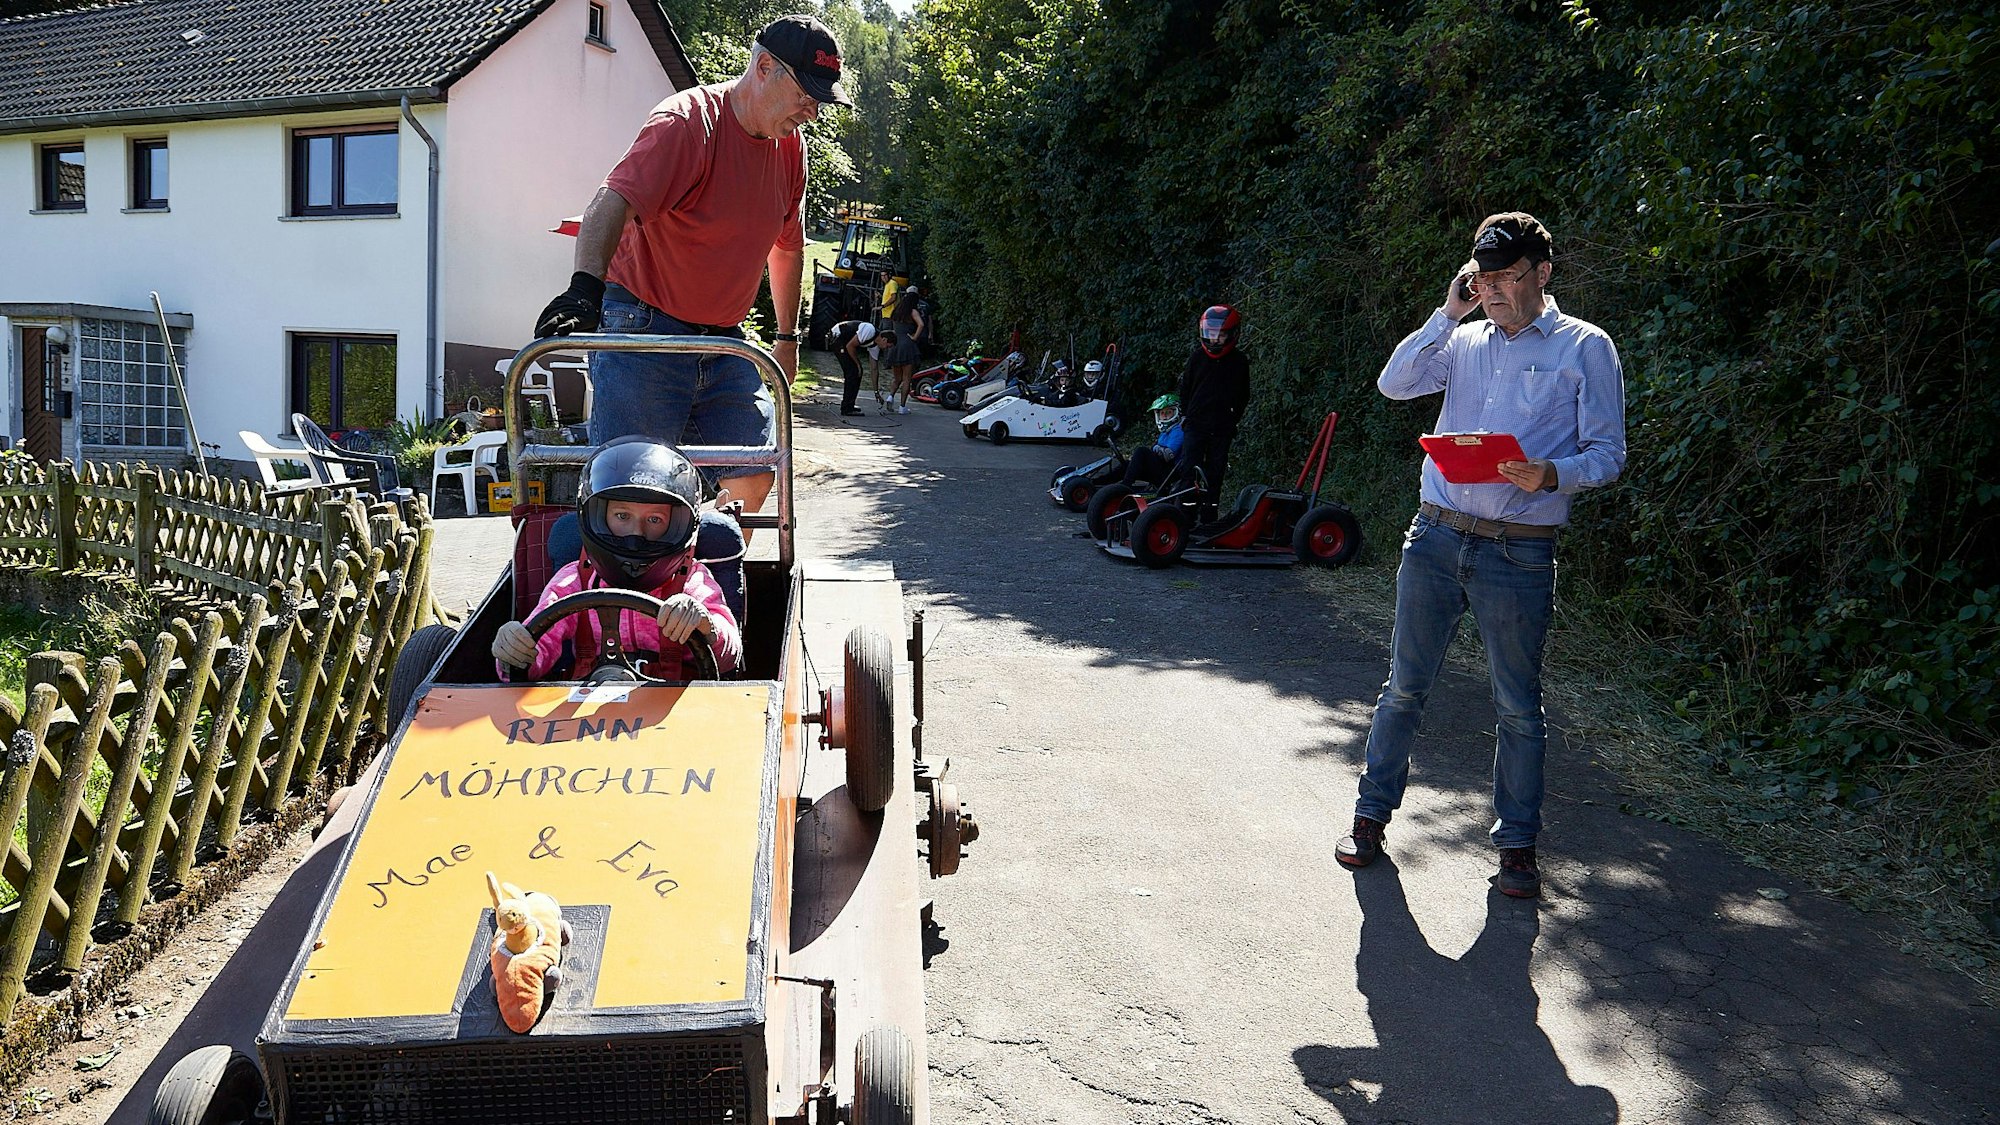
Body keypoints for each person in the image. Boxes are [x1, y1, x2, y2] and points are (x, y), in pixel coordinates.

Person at [1334, 212, 1627, 899]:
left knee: (1517, 706)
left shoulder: (1586, 346)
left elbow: (1608, 453)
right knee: (1404, 687)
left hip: (1519, 551)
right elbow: (1394, 384)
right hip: (1435, 536)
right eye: (1482, 278)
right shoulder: (1462, 339)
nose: (1492, 290)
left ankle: (1517, 848)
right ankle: (1370, 817)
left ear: (1542, 273)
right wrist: (1447, 312)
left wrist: (1551, 474)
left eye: (1506, 277)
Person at [533, 14, 852, 520]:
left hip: (724, 339)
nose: (812, 112)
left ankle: (707, 563)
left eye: (820, 100)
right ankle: (631, 570)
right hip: (645, 329)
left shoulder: (791, 149)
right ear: (764, 68)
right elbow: (612, 201)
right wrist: (583, 290)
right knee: (633, 489)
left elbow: (787, 248)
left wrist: (787, 338)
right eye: (805, 94)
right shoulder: (687, 123)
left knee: (753, 469)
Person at [493, 441, 742, 681]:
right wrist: (514, 651)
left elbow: (730, 659)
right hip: (586, 701)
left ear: (678, 524)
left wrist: (705, 625)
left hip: (676, 704)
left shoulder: (693, 580)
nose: (636, 535)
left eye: (654, 519)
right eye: (622, 516)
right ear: (598, 516)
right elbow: (536, 652)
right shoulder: (574, 580)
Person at [1173, 305, 1251, 516]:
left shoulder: (1239, 362)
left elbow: (1243, 395)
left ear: (1233, 334)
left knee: (1215, 473)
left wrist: (1232, 418)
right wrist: (1186, 415)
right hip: (1196, 425)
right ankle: (1185, 516)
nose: (1214, 340)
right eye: (1211, 334)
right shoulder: (1197, 358)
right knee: (1189, 470)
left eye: (1220, 335)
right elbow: (1186, 389)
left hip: (1222, 427)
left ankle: (1209, 516)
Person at [1120, 395, 1186, 488]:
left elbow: (1167, 455)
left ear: (1176, 412)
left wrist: (1155, 448)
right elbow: (1157, 450)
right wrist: (1156, 448)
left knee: (1141, 451)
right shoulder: (1165, 431)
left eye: (1168, 412)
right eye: (1162, 413)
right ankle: (1102, 482)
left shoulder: (1178, 430)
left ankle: (1125, 486)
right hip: (1162, 469)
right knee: (1127, 464)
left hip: (1169, 474)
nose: (1165, 416)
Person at [883, 283, 926, 414]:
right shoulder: (913, 311)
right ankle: (902, 407)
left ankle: (890, 396)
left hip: (895, 345)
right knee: (907, 378)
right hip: (907, 345)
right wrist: (914, 337)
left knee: (897, 378)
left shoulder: (897, 310)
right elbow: (921, 324)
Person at [829, 319, 878, 416]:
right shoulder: (870, 330)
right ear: (884, 340)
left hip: (845, 340)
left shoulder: (875, 345)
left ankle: (850, 404)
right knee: (852, 372)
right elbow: (850, 346)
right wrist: (858, 364)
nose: (886, 349)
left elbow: (874, 368)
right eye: (888, 346)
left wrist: (876, 392)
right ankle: (847, 408)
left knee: (857, 373)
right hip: (838, 336)